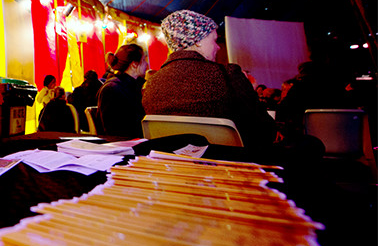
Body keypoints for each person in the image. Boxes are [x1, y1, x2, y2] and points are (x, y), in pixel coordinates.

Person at [141, 10, 276, 150]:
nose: (218, 47)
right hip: (228, 165)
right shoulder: (228, 75)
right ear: (198, 41)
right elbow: (266, 133)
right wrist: (249, 92)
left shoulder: (151, 84)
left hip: (172, 165)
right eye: (214, 40)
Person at [96, 44, 148, 137]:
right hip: (125, 145)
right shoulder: (113, 89)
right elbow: (114, 129)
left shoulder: (136, 85)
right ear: (134, 64)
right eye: (143, 60)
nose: (146, 64)